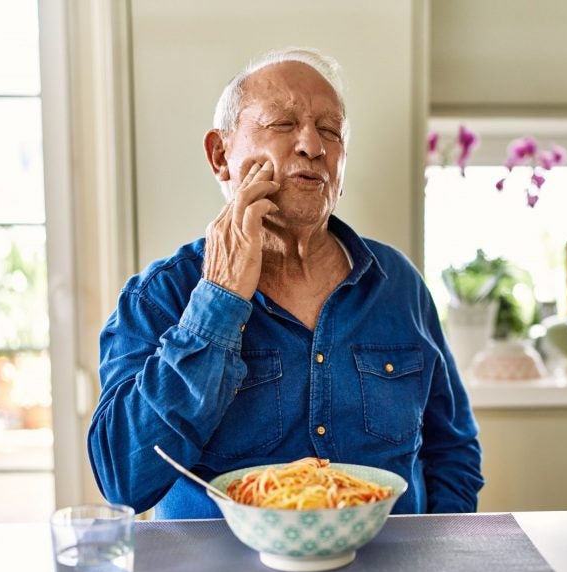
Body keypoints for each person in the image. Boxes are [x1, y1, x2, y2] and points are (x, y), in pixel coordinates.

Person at [88, 47, 483, 519]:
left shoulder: (398, 284)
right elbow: (122, 479)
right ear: (220, 155)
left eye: (331, 131)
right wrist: (218, 302)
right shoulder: (159, 296)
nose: (313, 146)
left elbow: (453, 448)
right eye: (282, 124)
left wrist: (437, 552)